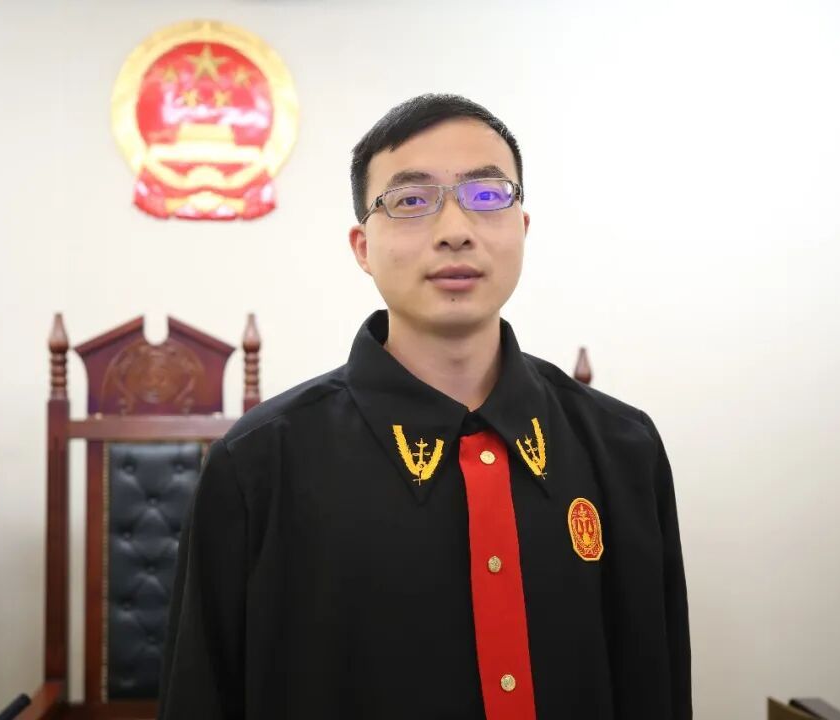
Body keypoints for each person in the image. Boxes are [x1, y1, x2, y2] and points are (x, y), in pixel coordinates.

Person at [157, 93, 691, 720]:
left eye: (487, 195)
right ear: (362, 247)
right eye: (412, 201)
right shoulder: (259, 467)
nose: (456, 229)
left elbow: (657, 686)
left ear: (522, 228)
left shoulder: (623, 450)